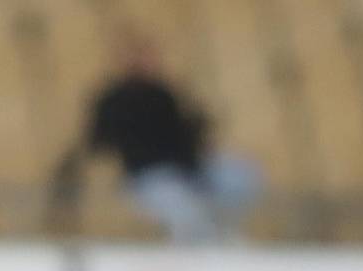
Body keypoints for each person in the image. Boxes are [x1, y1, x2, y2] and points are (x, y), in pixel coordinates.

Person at [69, 28, 258, 244]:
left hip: (188, 168)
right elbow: (97, 142)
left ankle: (225, 233)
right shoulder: (112, 99)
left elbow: (188, 133)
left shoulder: (164, 94)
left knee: (238, 175)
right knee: (186, 212)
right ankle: (202, 256)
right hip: (148, 175)